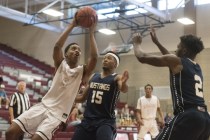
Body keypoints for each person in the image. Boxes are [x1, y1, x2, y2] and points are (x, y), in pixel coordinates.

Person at [6, 15, 98, 140]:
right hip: (43, 106)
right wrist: (72, 25)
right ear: (66, 54)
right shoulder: (61, 64)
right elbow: (57, 47)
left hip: (57, 115)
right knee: (10, 132)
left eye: (79, 50)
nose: (77, 51)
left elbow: (94, 58)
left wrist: (91, 32)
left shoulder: (82, 71)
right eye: (73, 48)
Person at [132, 26, 210, 140]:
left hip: (188, 115)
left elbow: (142, 57)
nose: (175, 49)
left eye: (178, 47)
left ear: (184, 50)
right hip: (205, 119)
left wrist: (136, 43)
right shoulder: (196, 67)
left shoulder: (177, 61)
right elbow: (170, 58)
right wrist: (157, 43)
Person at [71, 51, 129, 140]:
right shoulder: (93, 76)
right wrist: (68, 98)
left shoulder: (117, 77)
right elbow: (82, 98)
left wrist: (124, 83)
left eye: (109, 58)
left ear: (115, 64)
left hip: (105, 121)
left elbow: (124, 89)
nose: (105, 59)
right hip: (87, 120)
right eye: (105, 58)